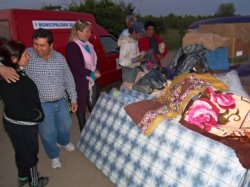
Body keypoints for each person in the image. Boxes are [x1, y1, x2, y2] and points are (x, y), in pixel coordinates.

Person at [24, 28, 78, 169]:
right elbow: (8, 58)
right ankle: (54, 155)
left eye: (42, 45)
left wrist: (73, 99)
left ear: (51, 45)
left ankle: (63, 142)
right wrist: (3, 69)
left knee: (66, 125)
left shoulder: (59, 58)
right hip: (42, 104)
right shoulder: (27, 55)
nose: (37, 48)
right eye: (35, 44)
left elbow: (68, 79)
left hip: (61, 101)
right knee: (48, 133)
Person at [0, 40, 49, 187]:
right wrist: (38, 115)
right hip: (23, 125)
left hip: (12, 122)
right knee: (30, 154)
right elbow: (17, 109)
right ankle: (34, 182)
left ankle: (22, 177)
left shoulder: (13, 71)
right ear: (14, 59)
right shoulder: (13, 79)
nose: (29, 56)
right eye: (26, 55)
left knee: (20, 151)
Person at [66, 19, 101, 132]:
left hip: (92, 81)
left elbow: (95, 60)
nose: (89, 34)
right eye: (87, 31)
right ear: (79, 32)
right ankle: (84, 132)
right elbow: (75, 66)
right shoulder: (72, 46)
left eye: (89, 31)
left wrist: (97, 70)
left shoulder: (89, 45)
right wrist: (91, 73)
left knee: (94, 106)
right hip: (80, 82)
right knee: (81, 108)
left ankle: (96, 130)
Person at [118, 22, 146, 87]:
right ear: (134, 32)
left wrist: (141, 55)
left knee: (136, 89)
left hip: (135, 69)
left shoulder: (135, 41)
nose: (141, 37)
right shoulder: (125, 43)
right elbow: (121, 61)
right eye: (140, 35)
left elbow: (134, 54)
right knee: (128, 91)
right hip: (128, 72)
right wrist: (135, 59)